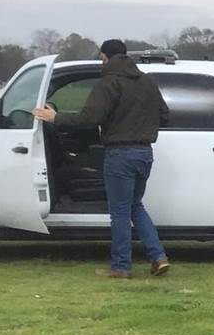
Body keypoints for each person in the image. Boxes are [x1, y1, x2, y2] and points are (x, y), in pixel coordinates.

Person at [33, 39, 170, 279]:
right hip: (144, 153)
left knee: (118, 212)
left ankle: (120, 267)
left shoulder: (108, 83)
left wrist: (55, 118)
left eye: (101, 58)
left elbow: (88, 119)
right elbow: (165, 116)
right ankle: (158, 257)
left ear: (105, 57)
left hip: (120, 154)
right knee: (135, 206)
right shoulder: (147, 81)